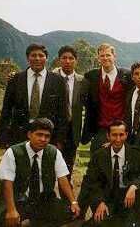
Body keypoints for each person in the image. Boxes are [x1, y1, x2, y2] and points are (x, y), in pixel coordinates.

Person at [0, 118, 81, 227]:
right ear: (29, 135)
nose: (43, 139)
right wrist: (11, 210)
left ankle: (35, 221)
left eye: (47, 136)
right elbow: (7, 182)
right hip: (18, 200)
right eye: (39, 135)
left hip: (43, 200)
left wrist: (73, 202)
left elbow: (63, 179)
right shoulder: (13, 152)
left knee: (71, 213)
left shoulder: (54, 152)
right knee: (5, 221)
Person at [78, 119, 140, 227]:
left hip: (129, 202)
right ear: (108, 136)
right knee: (99, 223)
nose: (118, 139)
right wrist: (99, 202)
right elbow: (92, 182)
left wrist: (134, 186)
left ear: (126, 135)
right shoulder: (99, 156)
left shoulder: (136, 154)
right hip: (108, 201)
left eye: (121, 135)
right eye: (114, 135)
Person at [0, 43, 69, 150]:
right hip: (19, 136)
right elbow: (6, 110)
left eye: (41, 55)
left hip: (48, 136)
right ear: (27, 58)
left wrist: (60, 140)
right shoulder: (15, 80)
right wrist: (2, 137)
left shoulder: (58, 81)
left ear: (46, 58)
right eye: (33, 55)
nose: (37, 58)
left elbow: (63, 113)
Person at [81, 43, 133, 153]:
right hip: (101, 129)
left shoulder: (127, 75)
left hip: (122, 128)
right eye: (102, 56)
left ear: (114, 56)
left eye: (108, 55)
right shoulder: (91, 76)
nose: (105, 58)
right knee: (97, 161)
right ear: (98, 58)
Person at [53, 45, 85, 181]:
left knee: (67, 167)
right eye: (64, 58)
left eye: (71, 58)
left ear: (76, 61)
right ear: (59, 60)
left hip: (72, 132)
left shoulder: (82, 81)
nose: (67, 61)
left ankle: (66, 198)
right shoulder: (50, 78)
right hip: (53, 130)